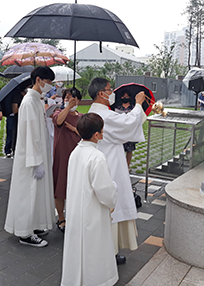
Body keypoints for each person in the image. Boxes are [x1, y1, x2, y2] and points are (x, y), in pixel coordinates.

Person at [88, 78, 146, 265]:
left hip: (107, 160)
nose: (112, 92)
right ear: (100, 93)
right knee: (110, 207)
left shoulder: (98, 112)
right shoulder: (104, 115)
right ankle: (107, 252)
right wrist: (138, 105)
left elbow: (126, 123)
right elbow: (128, 124)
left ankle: (108, 250)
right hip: (108, 164)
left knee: (106, 208)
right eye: (109, 89)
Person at [61, 113, 118, 286]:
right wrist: (113, 198)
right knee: (94, 248)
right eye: (102, 131)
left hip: (76, 208)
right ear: (96, 135)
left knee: (77, 248)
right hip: (92, 210)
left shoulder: (75, 152)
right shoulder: (97, 157)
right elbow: (104, 190)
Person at [4, 66, 56, 247]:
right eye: (49, 82)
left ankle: (34, 225)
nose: (50, 86)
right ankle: (25, 233)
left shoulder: (36, 100)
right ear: (39, 79)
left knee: (37, 193)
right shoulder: (28, 102)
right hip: (31, 158)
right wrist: (35, 162)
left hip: (38, 155)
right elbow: (30, 134)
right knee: (29, 193)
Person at [52, 88, 82, 233]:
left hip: (78, 155)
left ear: (79, 101)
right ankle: (61, 217)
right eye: (67, 98)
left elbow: (85, 133)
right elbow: (58, 121)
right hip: (62, 154)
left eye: (73, 98)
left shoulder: (82, 117)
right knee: (60, 185)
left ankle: (75, 216)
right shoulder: (59, 113)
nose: (69, 100)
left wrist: (75, 129)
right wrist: (67, 108)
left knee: (77, 186)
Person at [114, 89, 137, 170]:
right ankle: (120, 165)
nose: (125, 97)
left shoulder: (134, 108)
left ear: (130, 97)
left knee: (129, 150)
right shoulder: (118, 108)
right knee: (120, 149)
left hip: (130, 132)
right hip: (120, 132)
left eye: (127, 96)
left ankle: (127, 166)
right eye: (123, 96)